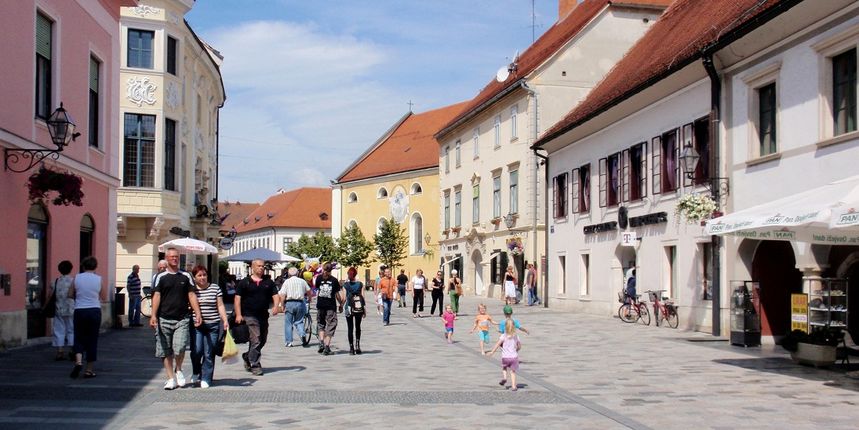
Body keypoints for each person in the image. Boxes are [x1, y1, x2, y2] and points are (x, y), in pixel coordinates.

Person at [151, 248, 201, 389]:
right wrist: (153, 315)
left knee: (179, 347)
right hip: (163, 318)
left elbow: (191, 295)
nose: (174, 259)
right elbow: (156, 296)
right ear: (166, 258)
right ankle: (170, 378)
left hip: (182, 318)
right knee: (165, 349)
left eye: (176, 257)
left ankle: (178, 369)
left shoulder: (185, 276)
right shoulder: (160, 277)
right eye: (172, 257)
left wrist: (197, 313)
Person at [235, 259, 281, 376]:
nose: (261, 268)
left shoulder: (268, 282)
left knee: (262, 340)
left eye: (263, 266)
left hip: (263, 315)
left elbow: (275, 295)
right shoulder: (245, 282)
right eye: (259, 266)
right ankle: (255, 365)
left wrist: (276, 306)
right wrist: (239, 314)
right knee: (256, 339)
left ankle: (247, 356)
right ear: (252, 267)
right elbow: (237, 298)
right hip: (249, 315)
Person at [189, 265, 228, 388]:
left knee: (208, 352)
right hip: (197, 325)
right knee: (197, 350)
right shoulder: (192, 290)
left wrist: (225, 320)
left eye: (204, 275)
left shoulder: (214, 288)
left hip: (213, 324)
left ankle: (206, 377)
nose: (202, 278)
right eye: (199, 275)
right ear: (194, 277)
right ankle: (196, 371)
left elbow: (220, 305)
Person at [68, 257, 107, 379]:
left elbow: (69, 294)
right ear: (95, 266)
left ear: (83, 266)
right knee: (92, 339)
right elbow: (104, 296)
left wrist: (78, 297)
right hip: (94, 310)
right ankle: (89, 370)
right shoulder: (98, 279)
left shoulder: (77, 278)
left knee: (79, 337)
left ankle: (78, 361)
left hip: (80, 310)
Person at [485, 314, 522, 391]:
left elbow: (497, 344)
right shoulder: (516, 336)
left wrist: (492, 352)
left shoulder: (503, 336)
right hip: (514, 357)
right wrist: (517, 349)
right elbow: (519, 346)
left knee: (504, 368)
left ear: (505, 327)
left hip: (505, 357)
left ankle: (505, 378)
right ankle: (514, 386)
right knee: (513, 372)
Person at [47, 260, 74, 361]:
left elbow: (49, 296)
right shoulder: (73, 281)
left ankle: (60, 351)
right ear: (70, 269)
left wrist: (45, 306)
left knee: (59, 330)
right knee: (71, 329)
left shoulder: (55, 281)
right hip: (71, 309)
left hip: (59, 308)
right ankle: (72, 350)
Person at [314, 263, 344, 356]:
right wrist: (341, 304)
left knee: (321, 323)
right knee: (331, 324)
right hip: (330, 306)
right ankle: (326, 347)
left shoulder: (318, 278)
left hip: (320, 305)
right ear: (332, 270)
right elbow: (336, 294)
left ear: (323, 268)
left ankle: (321, 342)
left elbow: (317, 289)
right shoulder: (334, 280)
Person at [278, 267, 310, 347]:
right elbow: (309, 291)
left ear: (289, 274)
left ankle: (289, 342)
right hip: (300, 302)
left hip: (290, 303)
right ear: (297, 273)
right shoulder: (302, 281)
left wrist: (282, 305)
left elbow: (282, 295)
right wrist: (309, 298)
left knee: (288, 323)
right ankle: (302, 335)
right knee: (299, 321)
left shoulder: (287, 282)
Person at [342, 267, 365, 355]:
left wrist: (340, 305)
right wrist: (364, 309)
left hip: (349, 307)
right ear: (356, 275)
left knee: (350, 328)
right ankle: (358, 346)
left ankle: (351, 348)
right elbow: (363, 297)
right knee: (358, 327)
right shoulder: (360, 284)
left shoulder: (346, 285)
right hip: (359, 307)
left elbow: (344, 298)